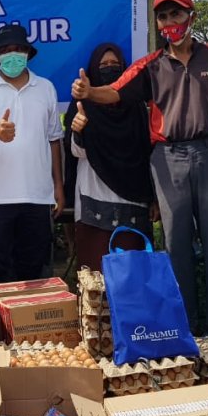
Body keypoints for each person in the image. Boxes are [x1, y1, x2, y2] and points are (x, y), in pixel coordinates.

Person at [72, 0, 208, 336]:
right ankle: (184, 324)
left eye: (177, 14)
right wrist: (89, 92)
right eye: (164, 16)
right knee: (175, 244)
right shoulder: (150, 66)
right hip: (168, 159)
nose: (170, 22)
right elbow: (116, 92)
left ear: (191, 17)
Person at [0, 24, 64, 284]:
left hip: (37, 197)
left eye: (18, 49)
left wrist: (58, 187)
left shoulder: (46, 88)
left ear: (28, 53)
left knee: (34, 274)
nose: (12, 55)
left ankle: (28, 325)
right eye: (5, 50)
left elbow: (54, 140)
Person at [63, 43, 155, 273]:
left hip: (133, 202)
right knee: (95, 280)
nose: (109, 68)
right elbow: (76, 152)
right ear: (94, 69)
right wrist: (78, 130)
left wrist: (154, 197)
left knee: (132, 278)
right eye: (103, 65)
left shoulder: (136, 107)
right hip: (92, 199)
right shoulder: (82, 106)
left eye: (115, 65)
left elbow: (148, 153)